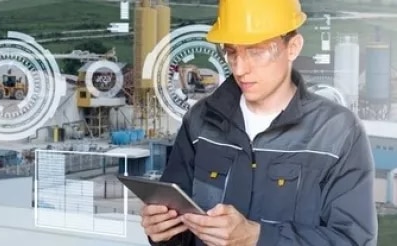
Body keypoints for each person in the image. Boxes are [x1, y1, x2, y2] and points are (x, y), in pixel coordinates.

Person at [140, 0, 378, 245]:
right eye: (232, 52)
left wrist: (258, 238)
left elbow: (354, 240)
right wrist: (163, 233)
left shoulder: (337, 133)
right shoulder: (200, 122)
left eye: (256, 51)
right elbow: (182, 231)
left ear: (293, 47)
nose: (240, 69)